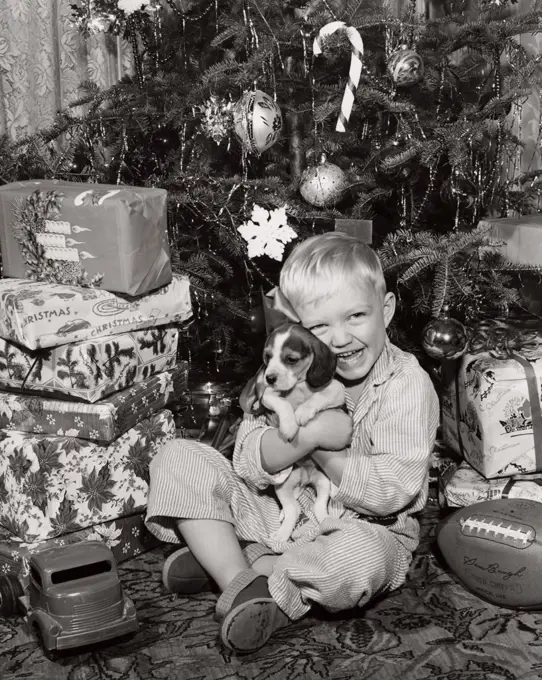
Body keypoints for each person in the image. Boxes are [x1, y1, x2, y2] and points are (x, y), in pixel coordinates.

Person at [145, 232, 439, 655]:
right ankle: (237, 577)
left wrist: (328, 452)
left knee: (359, 558)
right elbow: (247, 460)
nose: (339, 339)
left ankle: (250, 575)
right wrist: (312, 436)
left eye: (356, 316)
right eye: (319, 326)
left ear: (387, 310)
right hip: (275, 510)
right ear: (297, 330)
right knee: (177, 455)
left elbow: (392, 492)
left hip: (364, 526)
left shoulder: (407, 385)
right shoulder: (285, 372)